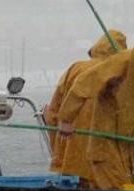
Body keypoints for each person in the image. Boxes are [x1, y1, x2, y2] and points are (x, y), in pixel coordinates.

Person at [56, 21, 134, 190]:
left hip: (130, 153)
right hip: (106, 147)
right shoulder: (125, 61)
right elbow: (86, 82)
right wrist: (66, 118)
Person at [43, 29, 127, 172]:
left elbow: (53, 113)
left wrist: (57, 150)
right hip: (101, 162)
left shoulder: (74, 69)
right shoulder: (118, 75)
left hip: (68, 158)